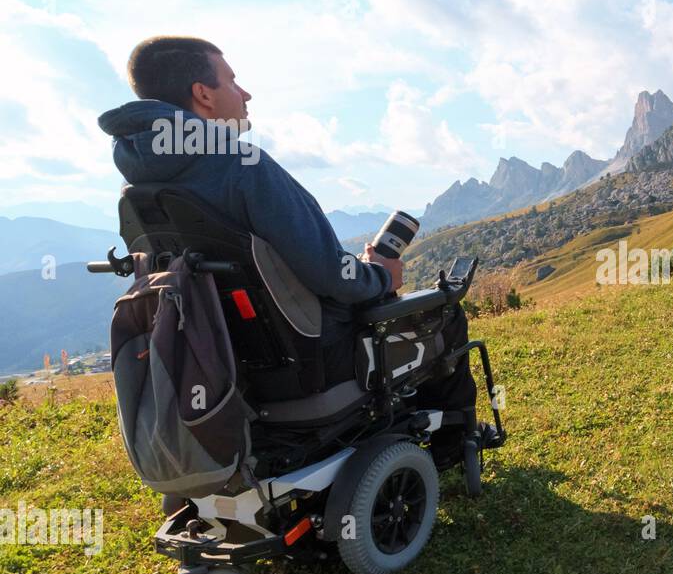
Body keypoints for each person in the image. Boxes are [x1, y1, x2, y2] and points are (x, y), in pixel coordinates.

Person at [97, 35, 475, 413]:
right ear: (203, 94)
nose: (245, 94)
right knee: (444, 316)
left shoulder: (138, 190)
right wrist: (379, 276)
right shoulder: (243, 167)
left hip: (214, 360)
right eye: (232, 81)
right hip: (315, 358)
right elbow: (330, 273)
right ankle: (451, 446)